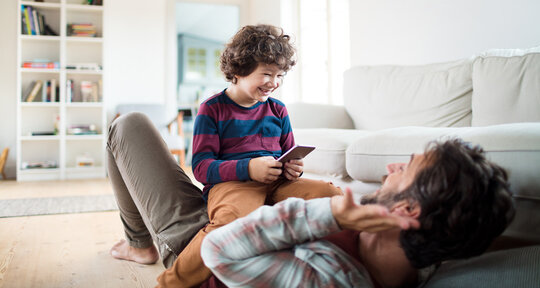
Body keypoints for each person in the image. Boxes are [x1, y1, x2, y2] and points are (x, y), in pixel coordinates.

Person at [107, 24, 342, 287]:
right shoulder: (212, 109)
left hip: (278, 184)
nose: (274, 83)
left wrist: (293, 169)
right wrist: (248, 169)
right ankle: (172, 282)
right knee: (232, 224)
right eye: (267, 74)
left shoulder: (278, 110)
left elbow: (289, 152)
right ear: (240, 71)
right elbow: (202, 168)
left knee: (330, 196)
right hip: (233, 185)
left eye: (279, 76)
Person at [200, 138, 516, 288]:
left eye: (405, 168)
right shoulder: (414, 246)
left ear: (407, 209)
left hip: (200, 250)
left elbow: (216, 251)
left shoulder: (331, 281)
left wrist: (331, 214)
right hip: (235, 208)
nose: (391, 167)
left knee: (146, 126)